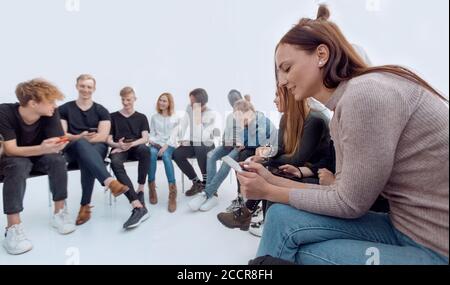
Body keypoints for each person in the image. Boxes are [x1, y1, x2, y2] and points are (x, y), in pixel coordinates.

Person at [237, 5, 449, 264]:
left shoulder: (364, 96)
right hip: (404, 225)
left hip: (435, 246)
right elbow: (342, 190)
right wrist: (270, 180)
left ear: (322, 54)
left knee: (289, 257)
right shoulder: (344, 106)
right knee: (280, 217)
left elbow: (349, 203)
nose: (281, 81)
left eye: (287, 68)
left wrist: (269, 191)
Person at [0, 79, 76, 255]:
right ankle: (13, 228)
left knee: (57, 160)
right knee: (19, 164)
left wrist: (57, 144)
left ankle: (59, 213)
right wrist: (42, 148)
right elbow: (11, 150)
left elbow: (57, 144)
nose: (54, 105)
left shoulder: (51, 113)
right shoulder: (4, 112)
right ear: (33, 103)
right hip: (13, 160)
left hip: (39, 158)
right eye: (50, 101)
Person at [59, 74, 129, 226]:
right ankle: (110, 182)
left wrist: (82, 138)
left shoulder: (101, 110)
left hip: (97, 148)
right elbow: (63, 136)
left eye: (89, 87)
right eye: (82, 86)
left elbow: (103, 137)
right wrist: (80, 136)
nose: (85, 89)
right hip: (72, 149)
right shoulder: (64, 109)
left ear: (94, 89)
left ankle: (85, 206)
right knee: (81, 144)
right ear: (77, 86)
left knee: (87, 157)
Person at [215, 98, 278, 229]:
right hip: (256, 151)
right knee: (241, 158)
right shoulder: (245, 123)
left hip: (269, 153)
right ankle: (242, 198)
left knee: (247, 161)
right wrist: (239, 143)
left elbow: (273, 146)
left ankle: (248, 205)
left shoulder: (263, 123)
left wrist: (259, 154)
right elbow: (245, 142)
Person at [187, 90, 246, 212]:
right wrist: (225, 142)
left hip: (240, 147)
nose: (234, 102)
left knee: (226, 161)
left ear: (241, 98)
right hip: (228, 144)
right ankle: (212, 195)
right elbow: (225, 134)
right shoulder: (230, 116)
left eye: (236, 99)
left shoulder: (248, 114)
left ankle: (206, 193)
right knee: (211, 155)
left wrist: (239, 143)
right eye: (231, 101)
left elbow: (248, 135)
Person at [107, 87, 150, 229]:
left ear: (134, 99)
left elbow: (145, 138)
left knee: (145, 150)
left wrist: (131, 144)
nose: (126, 103)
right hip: (120, 146)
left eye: (128, 100)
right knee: (115, 161)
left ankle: (140, 190)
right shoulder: (113, 116)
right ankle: (135, 201)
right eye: (123, 100)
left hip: (135, 145)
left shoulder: (141, 117)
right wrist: (116, 144)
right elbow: (108, 139)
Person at [173, 88, 216, 196]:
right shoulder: (189, 108)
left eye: (193, 101)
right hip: (193, 142)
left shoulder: (210, 114)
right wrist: (180, 139)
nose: (191, 103)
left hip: (207, 143)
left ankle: (206, 182)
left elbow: (204, 136)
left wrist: (197, 116)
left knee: (200, 146)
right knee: (177, 154)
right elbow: (183, 124)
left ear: (201, 102)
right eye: (190, 100)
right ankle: (197, 182)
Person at [147, 92, 180, 212]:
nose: (161, 102)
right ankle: (151, 187)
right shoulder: (154, 117)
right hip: (157, 143)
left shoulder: (175, 117)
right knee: (151, 153)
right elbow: (152, 134)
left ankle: (172, 192)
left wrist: (165, 146)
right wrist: (155, 143)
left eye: (164, 101)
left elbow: (174, 136)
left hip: (170, 144)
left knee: (166, 156)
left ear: (169, 103)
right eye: (160, 100)